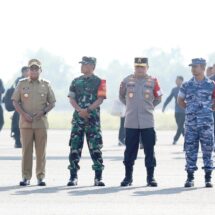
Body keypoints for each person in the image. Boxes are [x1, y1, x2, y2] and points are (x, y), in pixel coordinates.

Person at [12, 59, 56, 186]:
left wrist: (43, 112)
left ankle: (40, 177)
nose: (34, 71)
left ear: (40, 71)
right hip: (25, 124)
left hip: (40, 123)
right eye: (32, 69)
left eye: (36, 69)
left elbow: (52, 103)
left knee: (41, 151)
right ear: (28, 71)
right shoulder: (21, 84)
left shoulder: (46, 84)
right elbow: (15, 101)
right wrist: (23, 114)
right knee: (26, 151)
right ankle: (26, 177)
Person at [119, 57, 162, 187]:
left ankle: (150, 177)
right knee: (130, 151)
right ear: (134, 67)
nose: (139, 69)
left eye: (142, 67)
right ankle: (128, 177)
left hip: (147, 121)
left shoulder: (153, 81)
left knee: (149, 150)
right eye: (137, 66)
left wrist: (149, 106)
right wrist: (130, 106)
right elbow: (122, 96)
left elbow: (158, 97)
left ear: (147, 67)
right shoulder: (127, 81)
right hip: (131, 121)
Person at [67, 56, 106, 187]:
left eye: (85, 64)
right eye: (82, 64)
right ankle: (73, 176)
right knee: (75, 147)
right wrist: (79, 110)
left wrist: (88, 110)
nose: (82, 66)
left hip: (92, 119)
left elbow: (100, 99)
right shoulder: (75, 81)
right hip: (78, 119)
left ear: (92, 66)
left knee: (95, 147)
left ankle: (98, 177)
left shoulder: (100, 82)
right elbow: (71, 99)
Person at [178, 58, 215, 188]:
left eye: (196, 66)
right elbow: (180, 100)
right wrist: (190, 110)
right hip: (191, 124)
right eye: (192, 66)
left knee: (208, 150)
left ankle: (208, 178)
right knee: (190, 150)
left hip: (206, 124)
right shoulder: (186, 85)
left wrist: (207, 110)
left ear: (203, 67)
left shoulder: (212, 84)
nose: (193, 69)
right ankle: (190, 177)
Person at [162, 76, 185, 145]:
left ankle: (175, 139)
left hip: (184, 111)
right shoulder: (174, 89)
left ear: (181, 81)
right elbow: (169, 98)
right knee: (180, 126)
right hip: (177, 111)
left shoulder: (185, 88)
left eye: (178, 80)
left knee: (180, 126)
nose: (176, 81)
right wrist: (164, 106)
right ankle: (187, 137)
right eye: (176, 80)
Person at [11, 66, 29, 148]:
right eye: (27, 71)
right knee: (17, 124)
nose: (28, 73)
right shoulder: (19, 81)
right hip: (19, 105)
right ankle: (18, 141)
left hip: (27, 106)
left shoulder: (29, 80)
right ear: (23, 72)